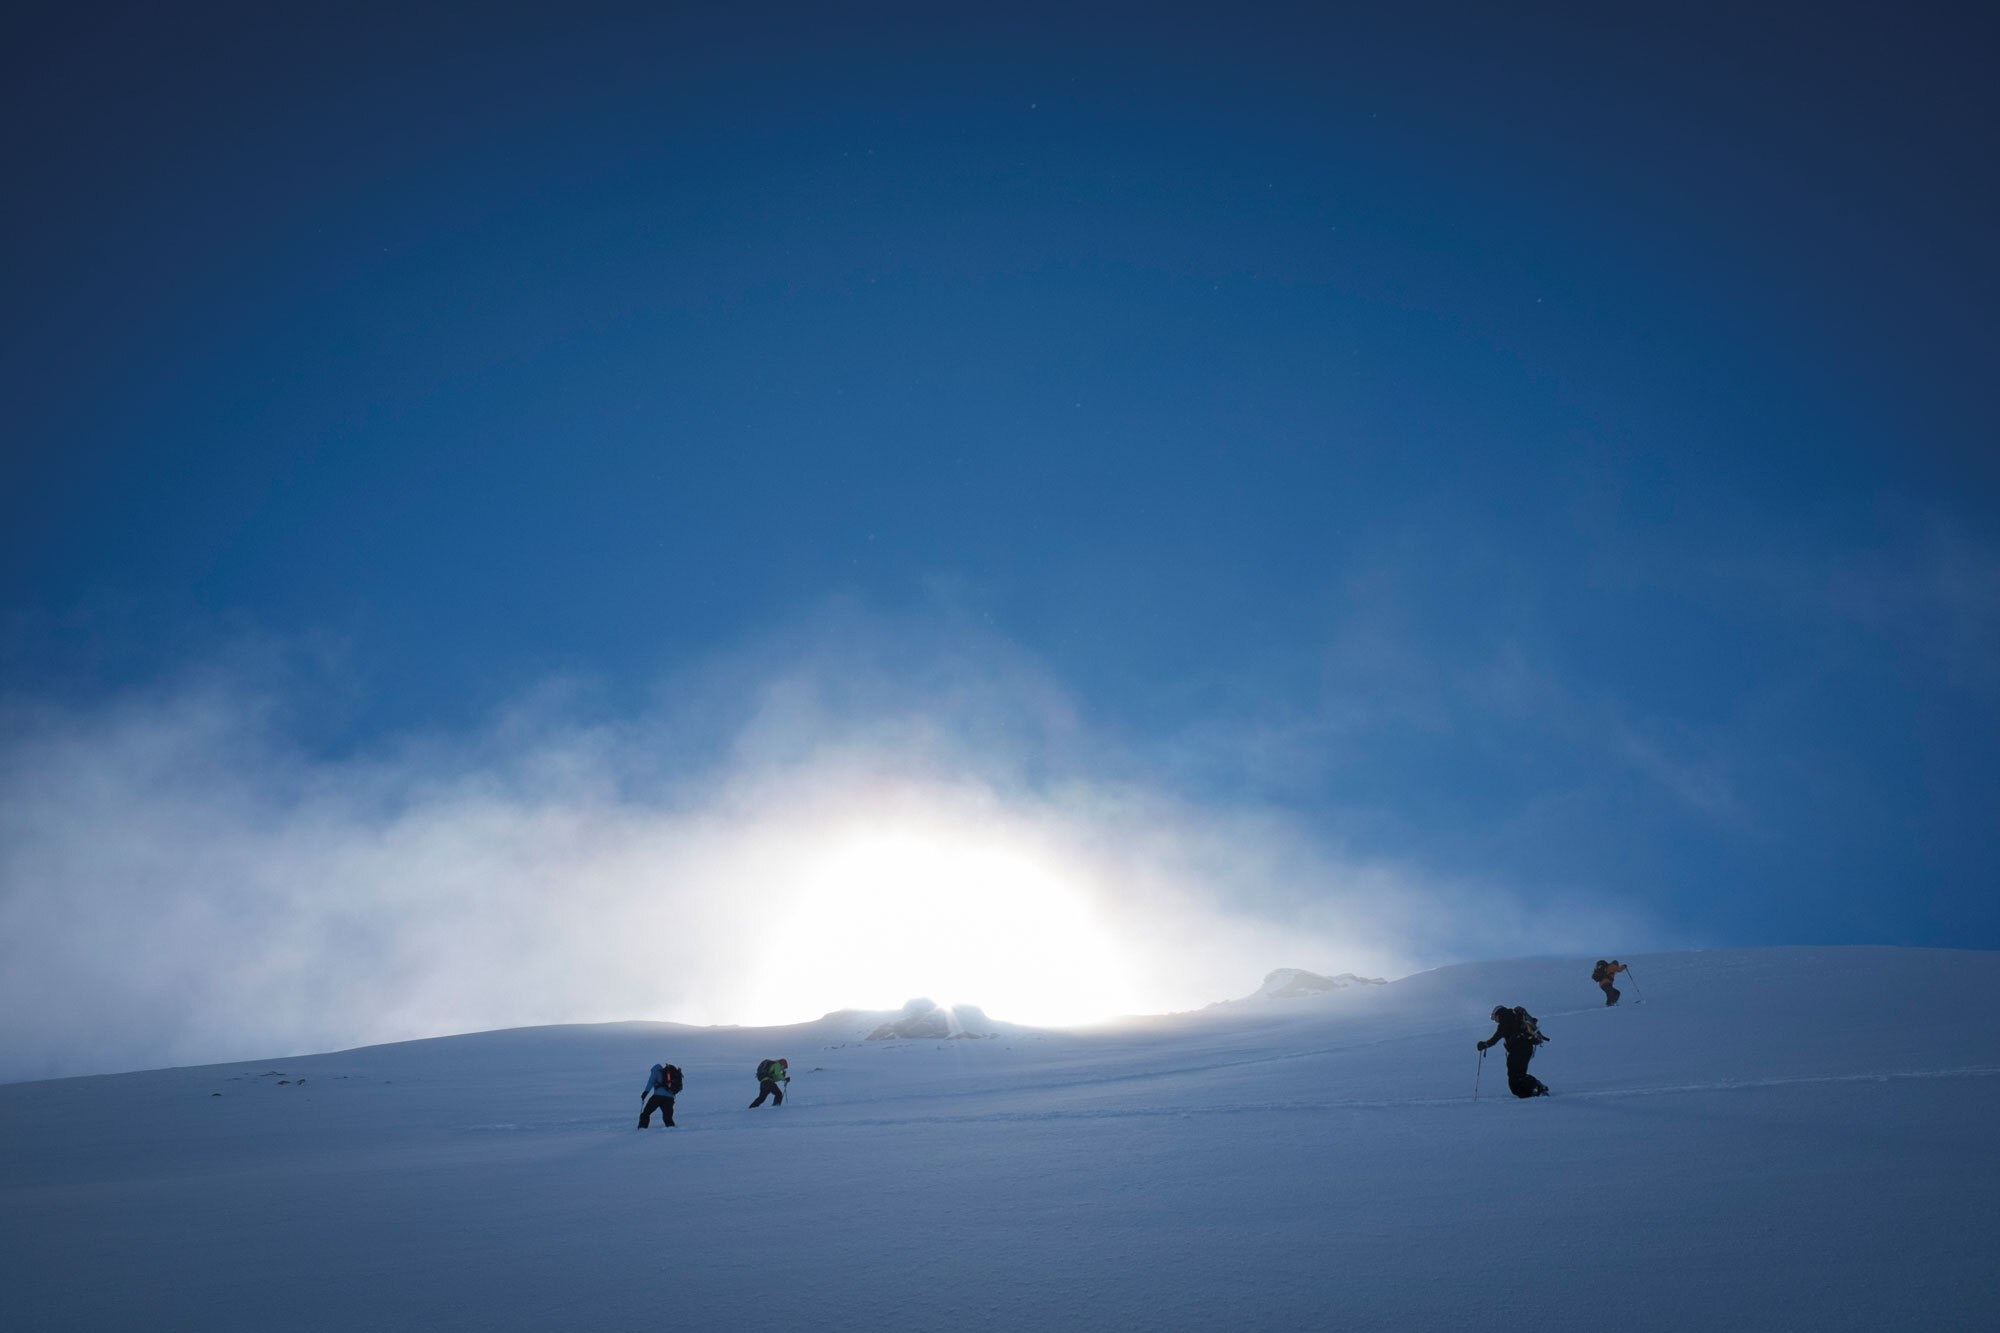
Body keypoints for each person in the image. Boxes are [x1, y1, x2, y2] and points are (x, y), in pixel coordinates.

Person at [1477, 1005, 1550, 1098]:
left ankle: (1532, 1091)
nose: (1495, 1021)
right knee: (1519, 1075)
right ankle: (1536, 1087)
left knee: (1514, 1079)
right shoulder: (1514, 1017)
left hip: (1518, 1050)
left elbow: (1496, 1038)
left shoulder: (1505, 1020)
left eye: (1494, 1018)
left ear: (1498, 1014)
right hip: (1526, 1049)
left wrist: (1485, 1044)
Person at [638, 1061, 682, 1128]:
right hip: (670, 1098)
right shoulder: (670, 1073)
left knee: (646, 1113)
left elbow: (651, 1082)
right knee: (668, 1117)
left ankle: (642, 1129)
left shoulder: (656, 1070)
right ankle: (672, 1131)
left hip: (658, 1097)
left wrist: (645, 1093)